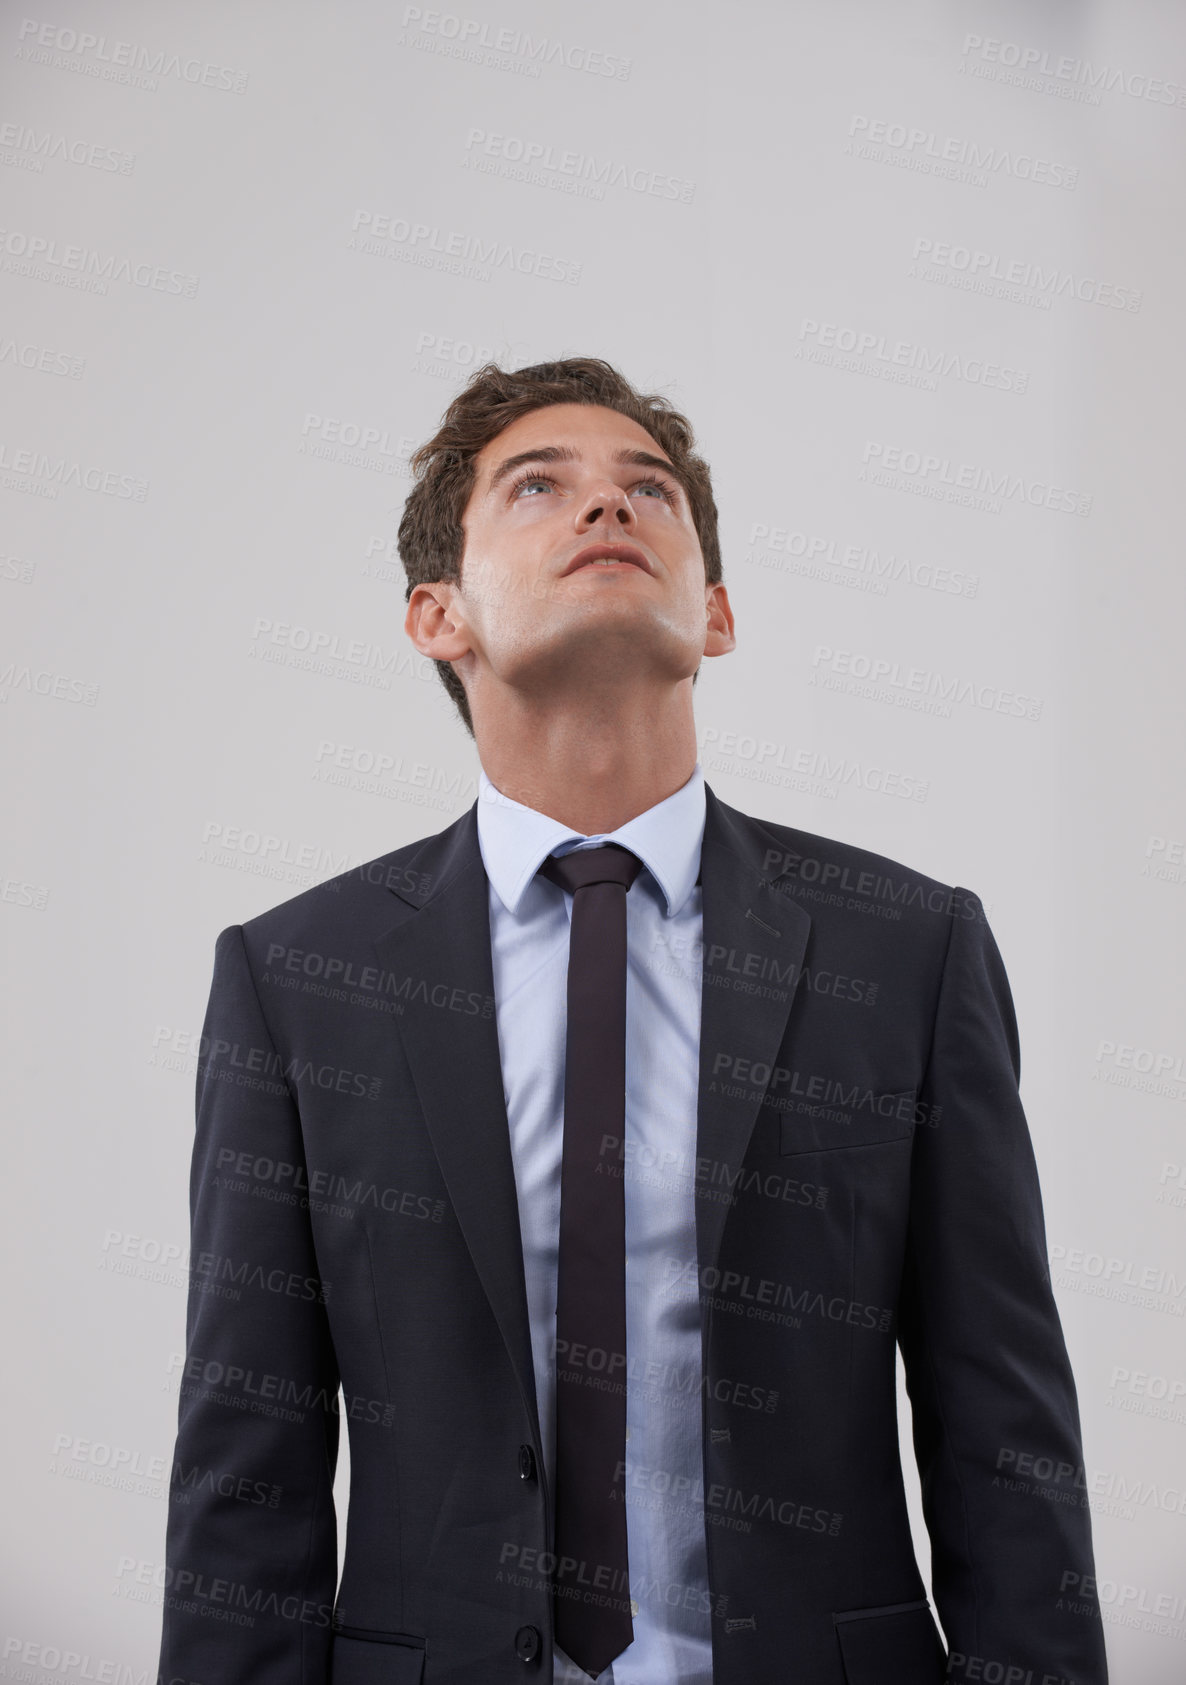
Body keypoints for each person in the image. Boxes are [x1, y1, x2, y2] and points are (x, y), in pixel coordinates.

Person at [157, 357, 1108, 1685]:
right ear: (438, 613)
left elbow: (999, 1426)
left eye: (647, 490)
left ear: (713, 613)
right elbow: (244, 1465)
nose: (607, 508)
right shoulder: (299, 976)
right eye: (537, 487)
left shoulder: (904, 949)